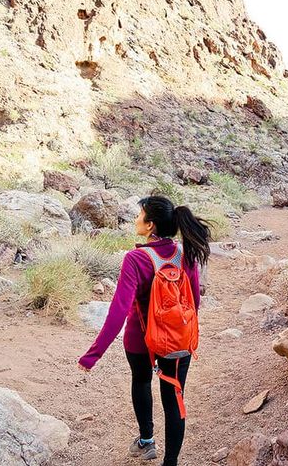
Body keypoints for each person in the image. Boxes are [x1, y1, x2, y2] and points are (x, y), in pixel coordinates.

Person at [78, 196, 211, 466]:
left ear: (150, 225)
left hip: (140, 338)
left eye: (139, 215)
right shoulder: (186, 253)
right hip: (177, 339)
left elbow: (117, 311)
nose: (136, 219)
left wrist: (93, 355)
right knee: (174, 397)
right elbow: (194, 299)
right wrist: (181, 330)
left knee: (140, 381)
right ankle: (170, 462)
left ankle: (147, 442)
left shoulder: (136, 258)